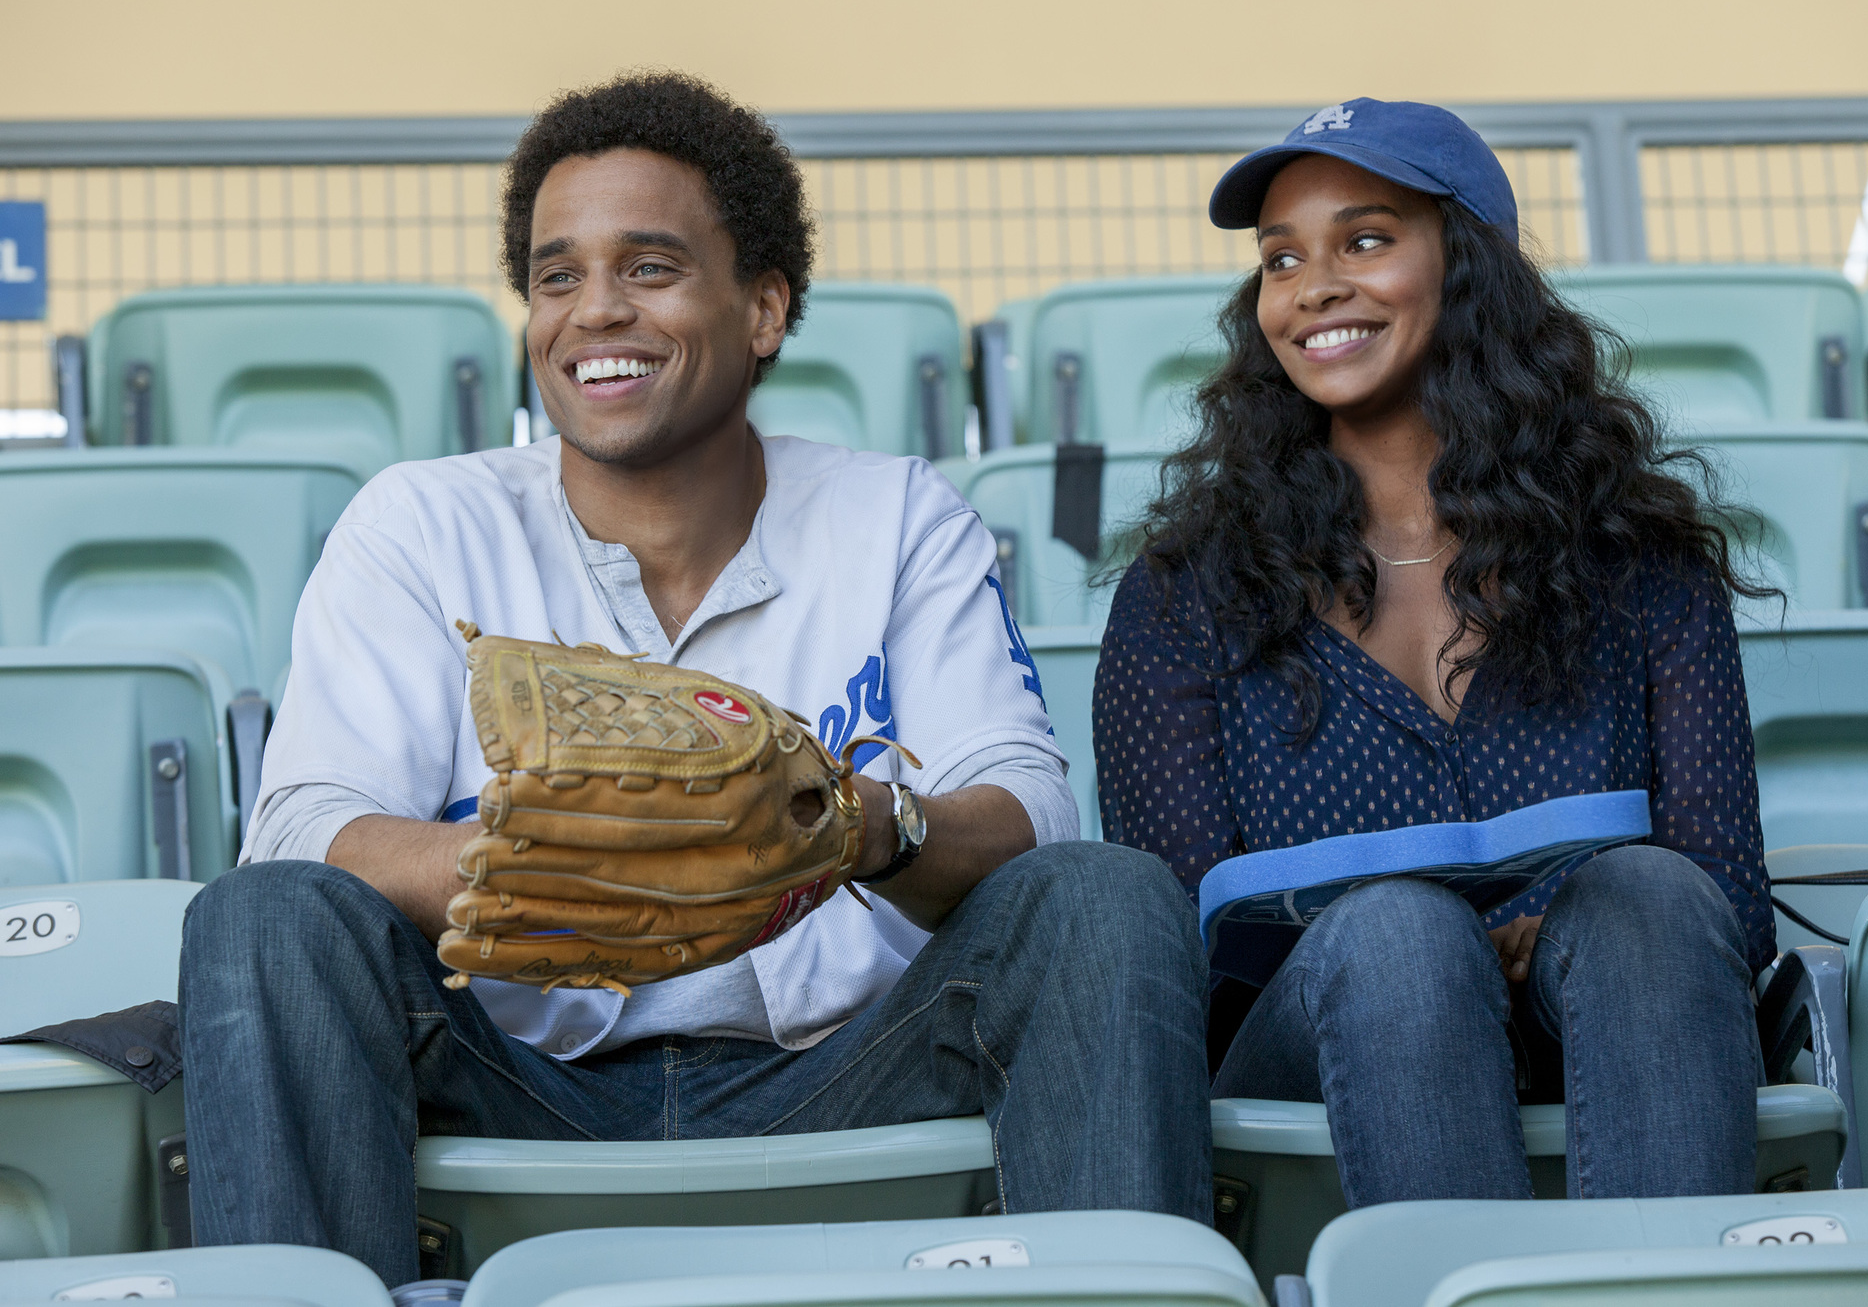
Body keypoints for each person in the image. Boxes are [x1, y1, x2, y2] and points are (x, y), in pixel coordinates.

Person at [179, 71, 1211, 1287]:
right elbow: (302, 829)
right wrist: (565, 862)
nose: (592, 312)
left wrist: (847, 828)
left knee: (1102, 898)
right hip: (515, 1077)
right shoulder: (416, 523)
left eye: (649, 268)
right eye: (556, 276)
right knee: (257, 919)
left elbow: (1028, 810)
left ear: (763, 307)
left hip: (847, 1073)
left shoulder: (895, 514)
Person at [1094, 97, 1774, 1207]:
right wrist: (1442, 946)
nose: (1311, 285)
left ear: (1468, 266)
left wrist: (1536, 940)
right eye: (1279, 259)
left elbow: (1727, 903)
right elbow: (1188, 950)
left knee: (1650, 896)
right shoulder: (1186, 594)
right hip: (1311, 1056)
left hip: (1599, 1012)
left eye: (1364, 240)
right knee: (1404, 939)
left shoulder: (1638, 563)